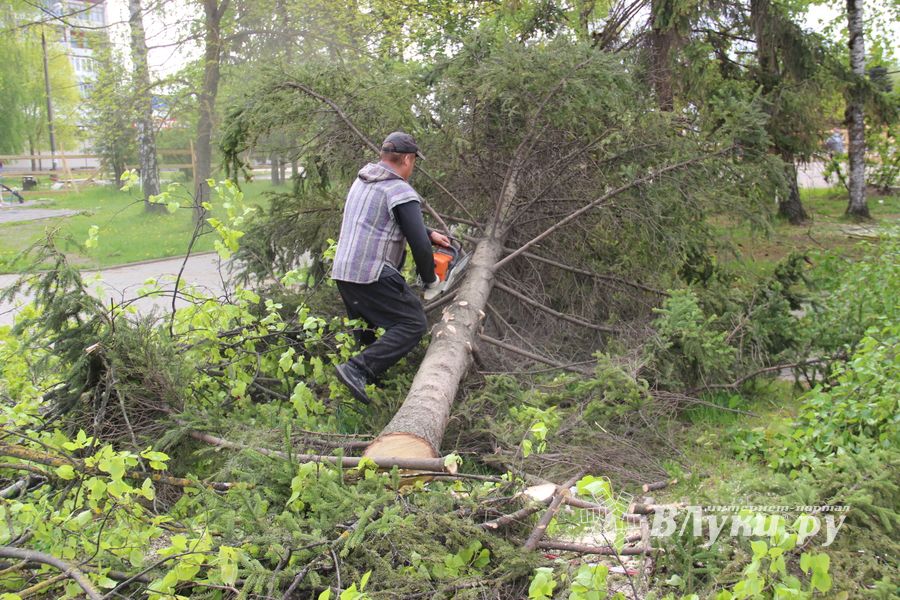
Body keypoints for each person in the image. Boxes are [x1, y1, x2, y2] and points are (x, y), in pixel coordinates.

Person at [331, 131, 450, 405]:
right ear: (408, 159)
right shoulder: (399, 189)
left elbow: (379, 217)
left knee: (368, 329)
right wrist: (430, 279)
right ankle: (357, 370)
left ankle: (369, 385)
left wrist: (428, 231)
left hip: (344, 269)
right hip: (371, 272)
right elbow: (418, 245)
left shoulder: (363, 180)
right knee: (413, 323)